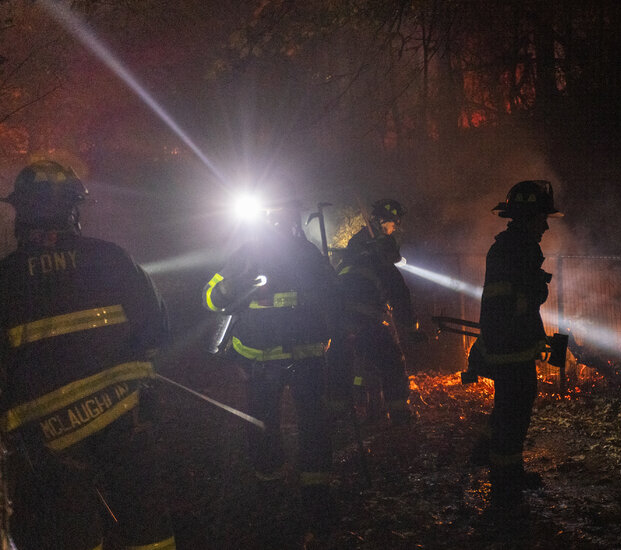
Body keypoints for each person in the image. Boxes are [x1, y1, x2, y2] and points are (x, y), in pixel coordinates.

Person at [0, 160, 176, 549]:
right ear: (73, 211)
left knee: (70, 536)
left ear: (21, 213)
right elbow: (157, 330)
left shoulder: (6, 279)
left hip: (46, 442)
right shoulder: (113, 259)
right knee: (147, 529)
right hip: (126, 418)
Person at [202, 199, 338, 530]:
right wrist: (231, 286)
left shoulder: (256, 252)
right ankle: (311, 499)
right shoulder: (300, 254)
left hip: (268, 358)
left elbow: (210, 299)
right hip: (294, 357)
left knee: (267, 425)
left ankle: (274, 491)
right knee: (310, 425)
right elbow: (210, 297)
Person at [478, 180, 561, 497]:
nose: (546, 226)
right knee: (514, 410)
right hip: (511, 346)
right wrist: (538, 287)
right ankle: (505, 480)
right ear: (529, 216)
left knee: (510, 409)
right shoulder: (519, 248)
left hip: (508, 343)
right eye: (543, 218)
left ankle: (508, 471)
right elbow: (524, 296)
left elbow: (514, 299)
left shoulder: (508, 246)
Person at [332, 199, 426, 426]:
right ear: (387, 224)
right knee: (392, 362)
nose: (395, 230)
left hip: (341, 321)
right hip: (368, 322)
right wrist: (412, 330)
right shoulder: (383, 267)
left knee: (341, 365)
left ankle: (339, 415)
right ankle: (400, 414)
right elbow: (400, 299)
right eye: (394, 225)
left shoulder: (352, 257)